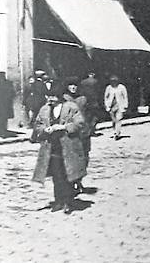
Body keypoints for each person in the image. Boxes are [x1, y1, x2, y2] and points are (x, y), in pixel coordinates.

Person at [31, 80, 87, 214]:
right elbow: (37, 125)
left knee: (68, 175)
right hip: (52, 148)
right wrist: (45, 129)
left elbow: (80, 124)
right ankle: (58, 201)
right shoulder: (44, 109)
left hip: (68, 148)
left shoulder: (71, 107)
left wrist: (63, 127)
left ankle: (68, 202)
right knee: (57, 176)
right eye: (49, 96)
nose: (51, 99)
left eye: (54, 96)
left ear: (60, 96)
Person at [63, 77, 90, 194]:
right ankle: (71, 182)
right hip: (69, 133)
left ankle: (79, 181)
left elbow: (90, 113)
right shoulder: (64, 99)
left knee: (84, 157)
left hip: (83, 132)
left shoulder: (83, 99)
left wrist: (91, 126)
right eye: (71, 85)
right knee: (70, 158)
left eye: (75, 85)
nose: (73, 88)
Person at [80, 71, 102, 136]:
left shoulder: (83, 82)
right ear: (92, 74)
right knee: (95, 117)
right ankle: (92, 131)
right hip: (94, 102)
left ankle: (88, 131)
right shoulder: (96, 81)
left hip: (86, 101)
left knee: (87, 118)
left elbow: (81, 92)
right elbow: (98, 91)